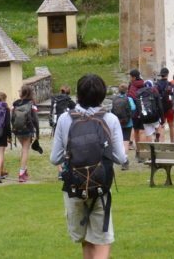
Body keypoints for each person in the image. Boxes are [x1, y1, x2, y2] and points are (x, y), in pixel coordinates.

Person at [51, 73, 127, 258]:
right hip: (100, 186)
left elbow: (55, 158)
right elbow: (119, 157)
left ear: (79, 93)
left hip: (74, 186)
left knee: (85, 239)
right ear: (102, 95)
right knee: (102, 239)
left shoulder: (64, 119)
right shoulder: (109, 119)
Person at [12, 84, 43, 183]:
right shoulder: (31, 104)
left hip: (17, 130)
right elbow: (36, 120)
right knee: (25, 150)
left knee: (24, 149)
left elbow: (12, 117)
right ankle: (21, 174)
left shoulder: (15, 104)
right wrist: (37, 133)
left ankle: (24, 171)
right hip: (27, 130)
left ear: (22, 93)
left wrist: (13, 129)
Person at [126, 69, 160, 158]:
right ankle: (144, 152)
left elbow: (130, 98)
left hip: (135, 112)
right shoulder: (144, 84)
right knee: (142, 131)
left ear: (133, 77)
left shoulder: (132, 86)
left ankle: (138, 151)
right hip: (145, 111)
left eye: (130, 77)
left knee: (136, 131)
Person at [110, 82, 136, 169]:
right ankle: (124, 161)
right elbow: (133, 108)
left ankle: (120, 157)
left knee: (120, 140)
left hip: (118, 122)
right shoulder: (128, 99)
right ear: (127, 90)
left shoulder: (114, 99)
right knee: (126, 141)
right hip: (128, 122)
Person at [154, 67, 174, 143]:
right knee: (171, 126)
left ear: (161, 75)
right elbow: (173, 95)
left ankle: (162, 143)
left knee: (162, 126)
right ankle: (172, 143)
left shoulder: (157, 84)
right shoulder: (170, 84)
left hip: (160, 108)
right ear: (167, 74)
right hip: (169, 107)